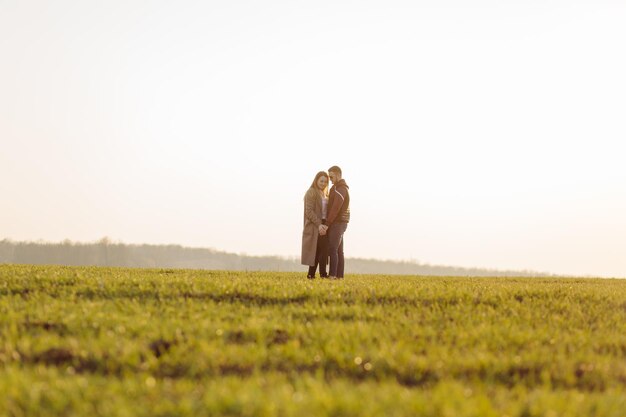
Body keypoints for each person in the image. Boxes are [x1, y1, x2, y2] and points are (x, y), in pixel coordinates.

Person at [301, 171, 330, 279]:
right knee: (319, 250)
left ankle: (311, 275)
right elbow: (309, 211)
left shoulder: (326, 194)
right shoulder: (311, 192)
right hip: (315, 224)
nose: (323, 183)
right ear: (316, 180)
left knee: (321, 250)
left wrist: (326, 224)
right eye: (321, 181)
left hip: (324, 224)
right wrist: (319, 225)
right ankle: (322, 274)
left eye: (325, 182)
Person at [326, 165, 350, 279]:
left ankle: (332, 275)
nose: (330, 180)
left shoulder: (341, 189)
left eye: (331, 177)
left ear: (338, 175)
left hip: (338, 223)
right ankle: (340, 276)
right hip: (340, 223)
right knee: (339, 250)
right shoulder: (337, 188)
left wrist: (327, 224)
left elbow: (335, 208)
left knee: (333, 249)